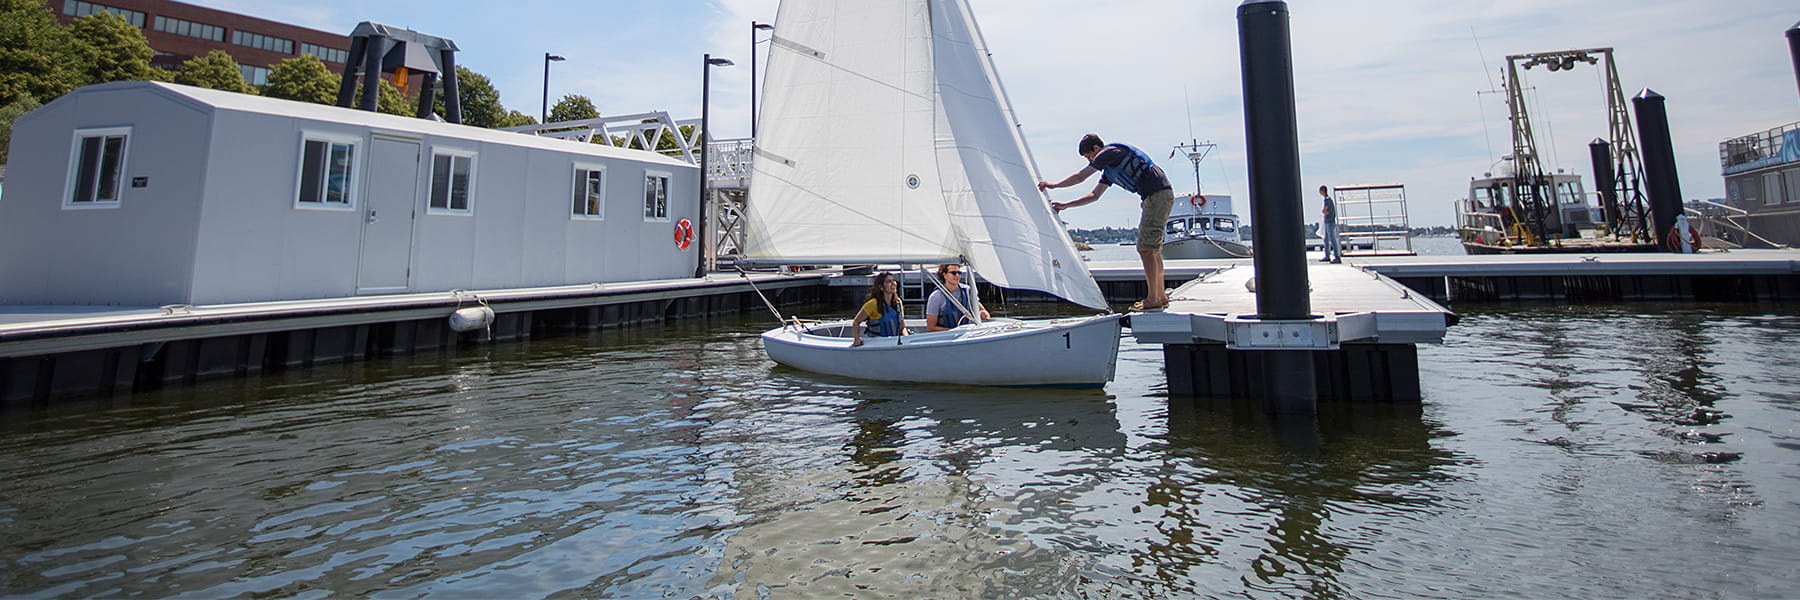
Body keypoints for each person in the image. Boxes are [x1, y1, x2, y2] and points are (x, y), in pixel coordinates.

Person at [1039, 134, 1174, 311]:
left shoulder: (1110, 152)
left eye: (1089, 156)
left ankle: (1153, 299)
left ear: (1096, 149)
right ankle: (1160, 296)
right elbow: (1094, 196)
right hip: (1155, 197)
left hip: (1157, 195)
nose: (1091, 160)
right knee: (1151, 249)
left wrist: (1053, 185)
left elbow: (1080, 177)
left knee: (1146, 249)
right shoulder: (1109, 170)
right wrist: (1065, 205)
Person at [925, 264, 990, 331]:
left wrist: (984, 313)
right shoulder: (936, 297)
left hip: (966, 333)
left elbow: (981, 309)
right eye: (953, 273)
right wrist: (953, 331)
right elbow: (931, 328)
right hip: (947, 335)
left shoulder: (967, 291)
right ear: (945, 275)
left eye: (959, 273)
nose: (957, 275)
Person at [851, 272, 906, 347]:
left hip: (894, 342)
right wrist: (856, 340)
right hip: (878, 344)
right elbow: (856, 322)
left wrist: (906, 338)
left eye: (893, 280)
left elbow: (902, 327)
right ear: (881, 287)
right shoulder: (872, 304)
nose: (893, 283)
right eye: (888, 281)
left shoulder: (898, 302)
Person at [1319, 185, 1341, 263]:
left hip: (1329, 222)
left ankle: (1337, 256)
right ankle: (1327, 255)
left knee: (1332, 239)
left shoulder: (1327, 200)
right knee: (1326, 239)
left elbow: (1326, 211)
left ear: (1323, 191)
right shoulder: (1327, 199)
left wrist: (1324, 211)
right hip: (1327, 222)